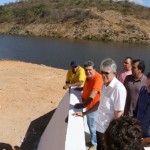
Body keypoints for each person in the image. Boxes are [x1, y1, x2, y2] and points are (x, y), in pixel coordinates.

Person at [96, 58, 127, 150]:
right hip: (99, 126)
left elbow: (119, 113)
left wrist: (110, 132)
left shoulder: (118, 89)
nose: (103, 75)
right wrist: (84, 113)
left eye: (106, 73)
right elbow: (101, 103)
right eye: (102, 72)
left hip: (107, 131)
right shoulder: (104, 84)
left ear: (114, 73)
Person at [73, 61, 103, 150]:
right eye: (86, 70)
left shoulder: (98, 78)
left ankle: (95, 145)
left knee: (93, 126)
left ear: (94, 69)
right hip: (88, 107)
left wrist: (83, 105)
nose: (87, 72)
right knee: (90, 125)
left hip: (94, 108)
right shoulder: (89, 77)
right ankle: (93, 140)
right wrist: (81, 88)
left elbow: (94, 92)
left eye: (90, 70)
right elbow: (88, 86)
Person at [134, 72, 150, 146]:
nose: (148, 86)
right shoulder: (143, 90)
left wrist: (146, 141)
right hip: (138, 133)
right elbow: (137, 109)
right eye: (147, 83)